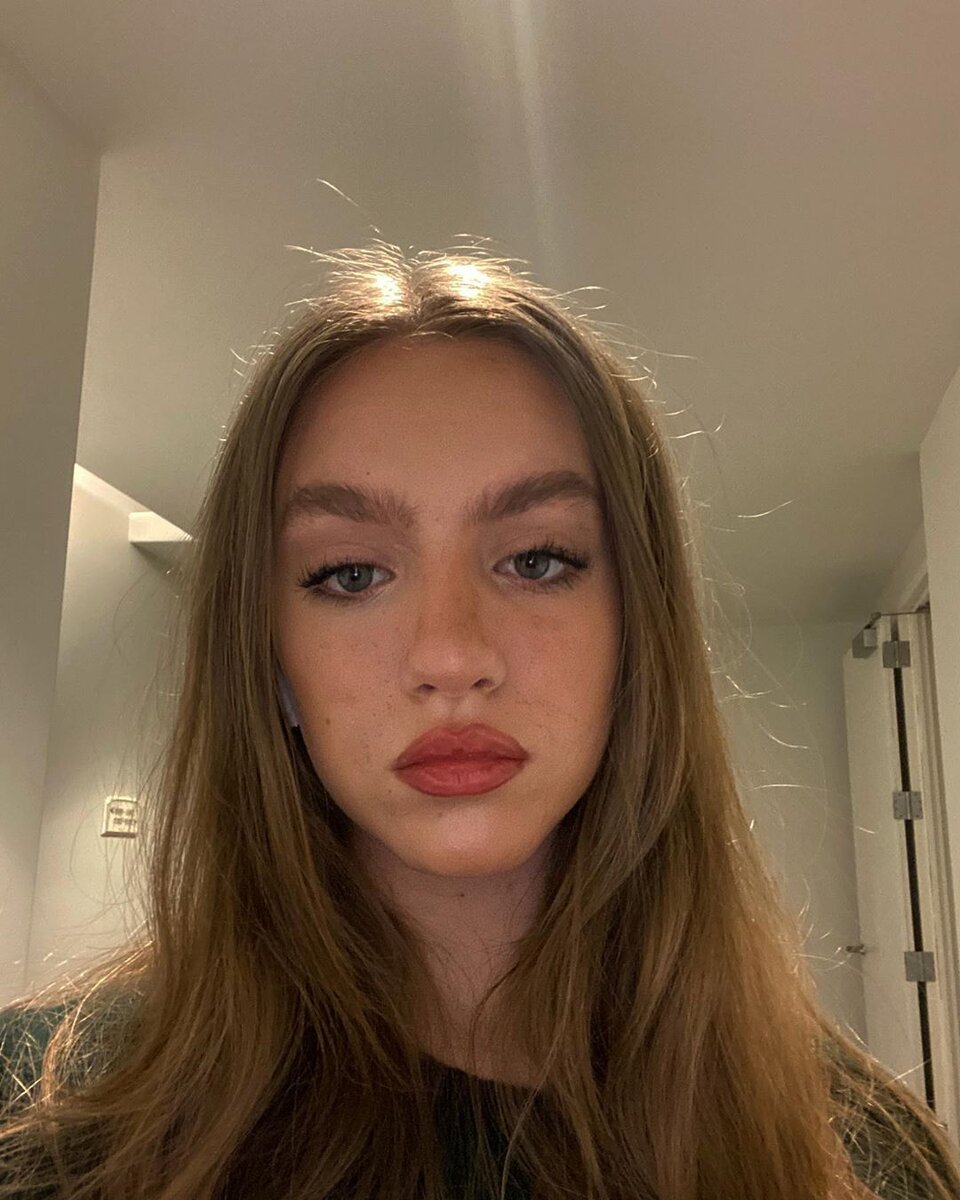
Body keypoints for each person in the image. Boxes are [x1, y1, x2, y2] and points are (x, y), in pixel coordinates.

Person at [1, 242, 958, 1200]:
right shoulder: (46, 1119)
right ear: (269, 658)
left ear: (639, 630)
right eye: (350, 574)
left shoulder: (864, 1157)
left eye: (538, 561)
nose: (451, 655)